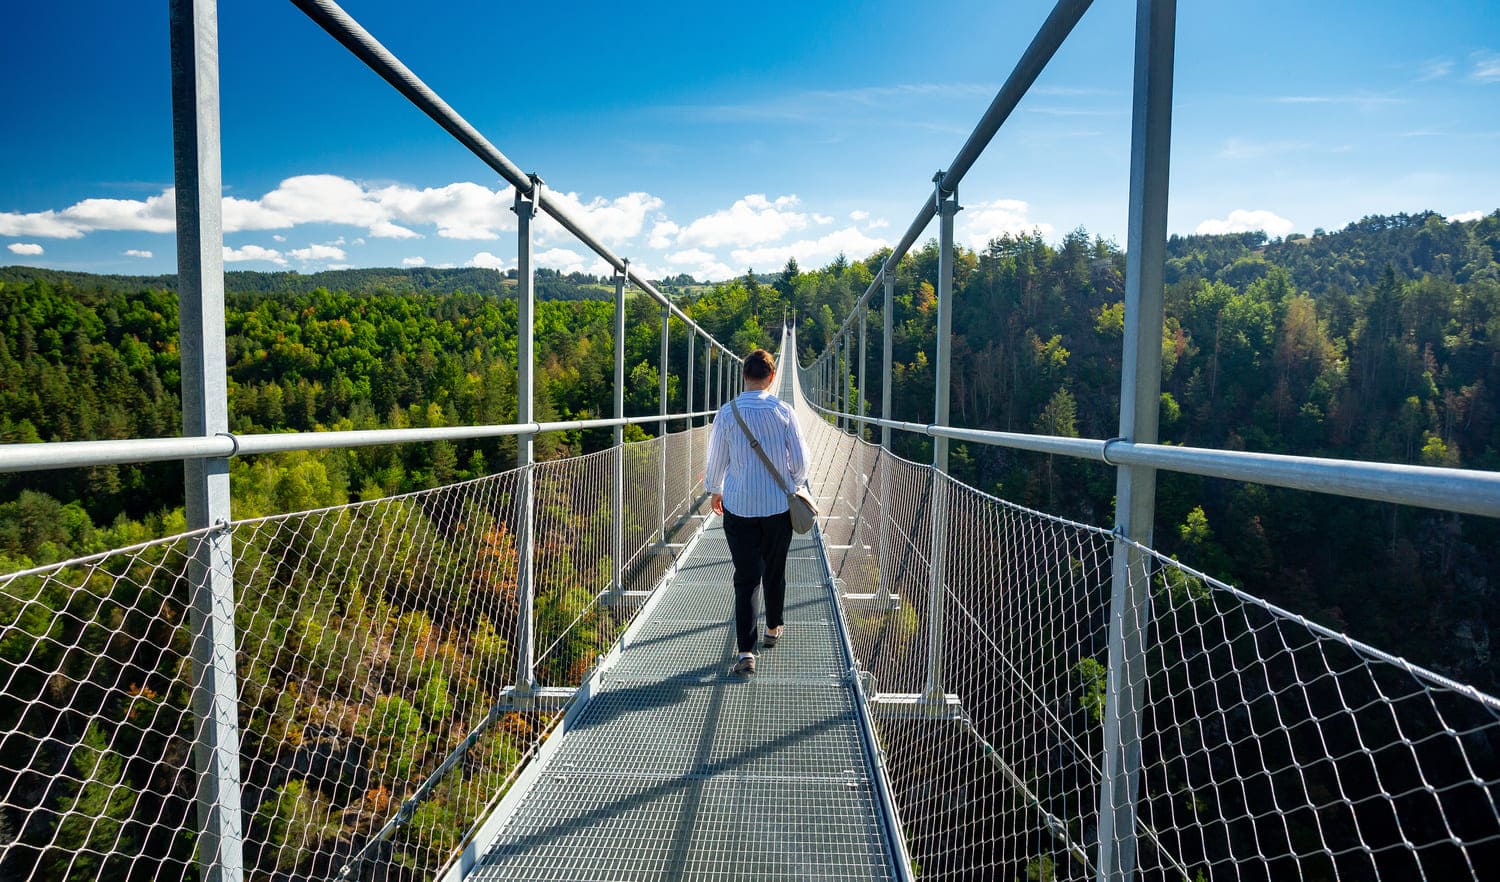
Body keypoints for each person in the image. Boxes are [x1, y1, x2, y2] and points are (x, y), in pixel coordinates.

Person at [704, 348, 810, 675]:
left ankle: (746, 652)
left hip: (738, 508)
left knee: (746, 578)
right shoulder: (784, 411)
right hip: (778, 507)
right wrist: (792, 482)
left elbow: (716, 459)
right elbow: (803, 463)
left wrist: (715, 490)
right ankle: (773, 628)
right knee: (774, 570)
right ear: (772, 377)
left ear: (744, 376)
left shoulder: (727, 412)